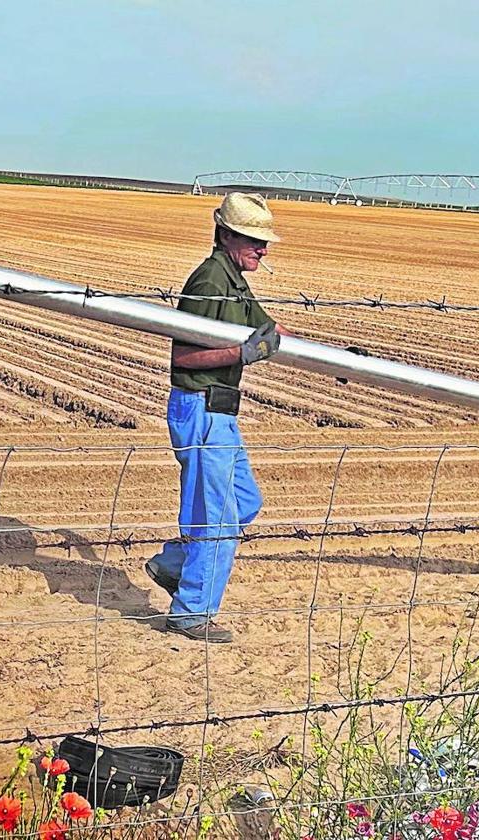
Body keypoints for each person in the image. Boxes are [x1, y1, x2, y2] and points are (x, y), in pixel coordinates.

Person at [144, 192, 287, 643]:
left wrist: (334, 359)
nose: (262, 249)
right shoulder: (209, 281)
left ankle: (174, 564)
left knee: (243, 503)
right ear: (226, 234)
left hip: (219, 409)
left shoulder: (234, 279)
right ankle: (192, 611)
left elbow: (271, 329)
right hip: (202, 407)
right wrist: (242, 354)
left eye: (264, 241)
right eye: (253, 240)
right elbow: (184, 355)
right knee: (219, 516)